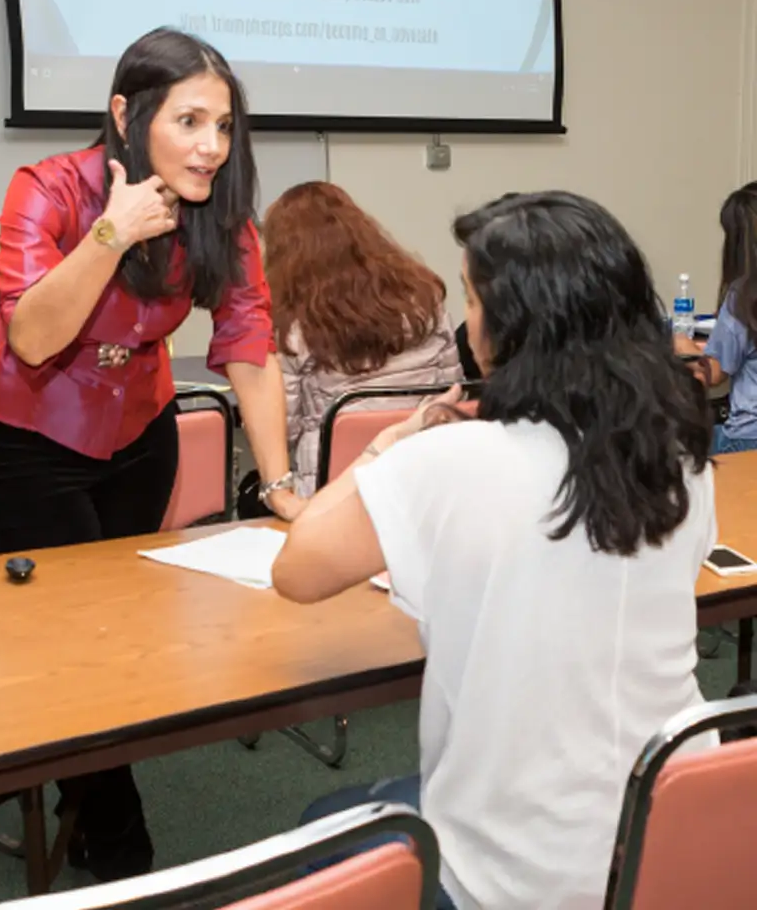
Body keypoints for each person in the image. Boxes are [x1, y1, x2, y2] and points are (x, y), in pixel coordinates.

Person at [271, 192, 715, 909]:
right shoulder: (680, 453)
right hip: (673, 838)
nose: (465, 322)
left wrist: (394, 438)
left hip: (510, 877)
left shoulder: (450, 461)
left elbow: (296, 569)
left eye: (473, 300)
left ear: (512, 326)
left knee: (322, 826)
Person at [0, 27, 305, 881]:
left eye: (223, 126)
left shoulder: (222, 214)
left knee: (114, 639)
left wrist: (282, 482)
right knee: (75, 643)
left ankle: (64, 779)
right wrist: (110, 236)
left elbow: (250, 345)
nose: (212, 147)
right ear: (127, 114)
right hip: (26, 437)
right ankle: (121, 851)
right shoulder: (47, 189)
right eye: (189, 122)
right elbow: (33, 339)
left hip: (139, 437)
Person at [262, 181, 461, 498]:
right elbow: (451, 391)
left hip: (332, 490)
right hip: (423, 477)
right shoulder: (426, 301)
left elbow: (281, 430)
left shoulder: (293, 329)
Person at [676, 181, 757, 453]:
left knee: (674, 444)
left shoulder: (744, 298)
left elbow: (713, 374)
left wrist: (683, 346)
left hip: (748, 438)